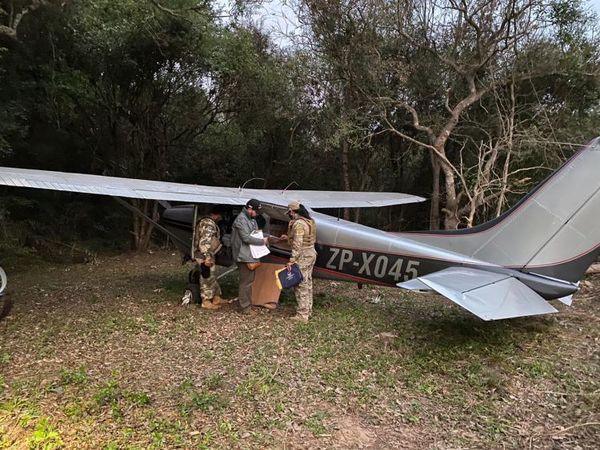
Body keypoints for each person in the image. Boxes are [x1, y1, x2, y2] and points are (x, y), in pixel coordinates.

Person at [280, 201, 317, 322]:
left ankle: (302, 315)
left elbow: (298, 244)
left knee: (300, 284)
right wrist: (288, 237)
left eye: (289, 213)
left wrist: (292, 260)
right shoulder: (309, 221)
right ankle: (308, 310)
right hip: (311, 252)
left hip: (303, 255)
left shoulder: (299, 224)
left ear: (292, 212)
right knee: (307, 282)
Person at [231, 199, 269, 314]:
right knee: (246, 282)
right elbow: (246, 238)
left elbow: (255, 233)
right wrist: (263, 241)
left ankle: (247, 304)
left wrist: (270, 237)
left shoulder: (250, 219)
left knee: (249, 281)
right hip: (244, 255)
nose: (257, 214)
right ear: (250, 208)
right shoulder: (241, 220)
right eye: (256, 211)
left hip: (250, 254)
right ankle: (245, 308)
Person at [195, 205, 229, 310]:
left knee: (212, 276)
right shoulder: (208, 224)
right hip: (205, 255)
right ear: (217, 215)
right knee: (206, 276)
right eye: (221, 216)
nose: (221, 218)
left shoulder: (210, 223)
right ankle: (205, 301)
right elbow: (205, 242)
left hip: (210, 253)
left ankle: (216, 297)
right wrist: (207, 257)